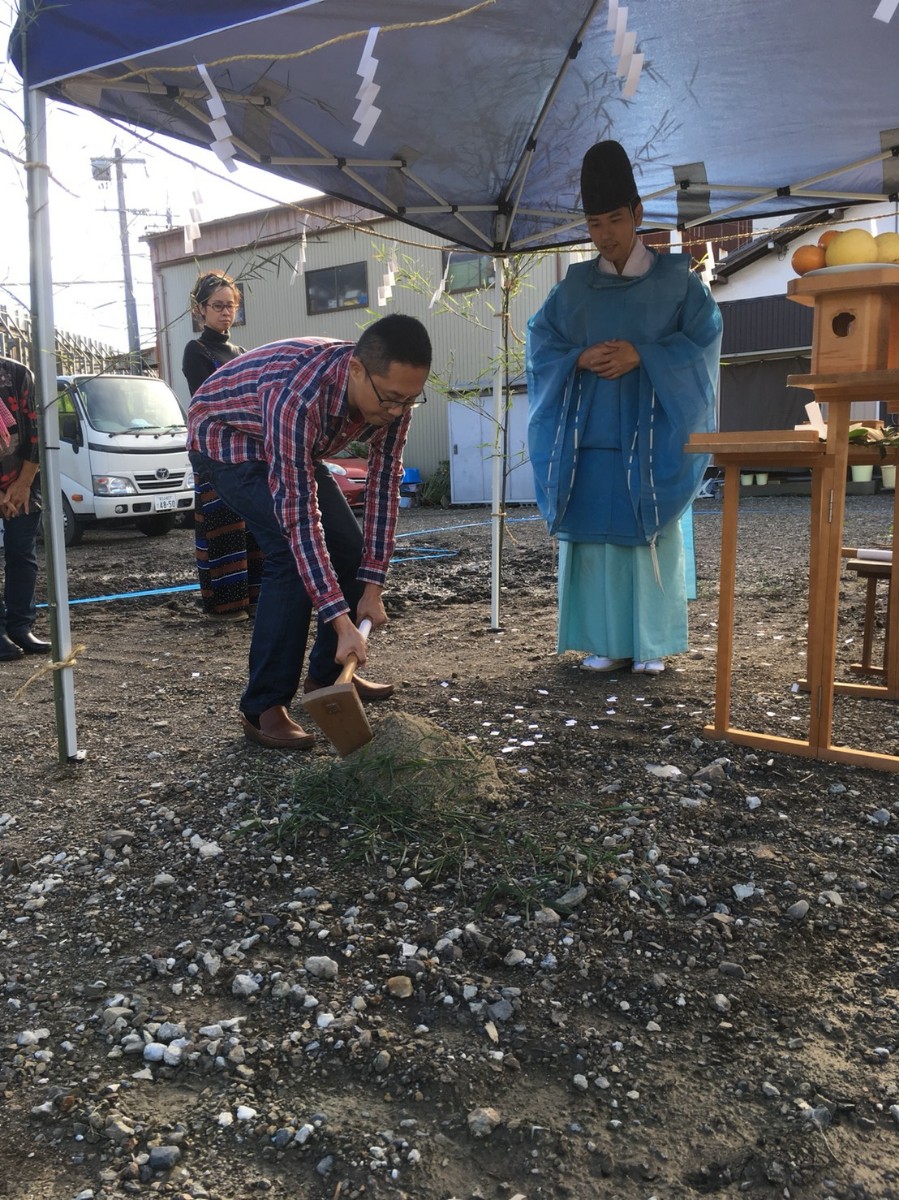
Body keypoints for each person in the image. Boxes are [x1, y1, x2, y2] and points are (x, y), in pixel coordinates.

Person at [187, 313, 432, 750]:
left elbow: (383, 488)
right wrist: (342, 622)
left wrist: (372, 586)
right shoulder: (298, 395)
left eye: (410, 401)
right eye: (392, 399)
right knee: (288, 552)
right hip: (229, 441)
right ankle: (262, 705)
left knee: (351, 551)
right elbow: (300, 520)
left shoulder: (394, 401)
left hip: (294, 446)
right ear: (357, 369)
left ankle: (326, 680)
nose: (397, 412)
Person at [527, 140, 722, 677]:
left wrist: (646, 355)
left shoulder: (679, 284)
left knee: (646, 537)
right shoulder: (571, 290)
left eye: (615, 219)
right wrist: (576, 358)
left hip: (652, 437)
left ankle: (651, 645)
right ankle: (603, 641)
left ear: (637, 215)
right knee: (593, 540)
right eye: (595, 224)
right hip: (588, 440)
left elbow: (703, 345)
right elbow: (540, 347)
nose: (606, 233)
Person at [182, 271, 262, 622]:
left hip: (244, 447)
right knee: (222, 524)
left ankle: (254, 598)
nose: (225, 312)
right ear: (201, 309)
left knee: (251, 523)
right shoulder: (196, 350)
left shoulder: (241, 352)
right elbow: (212, 400)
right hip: (212, 448)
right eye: (218, 306)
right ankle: (225, 605)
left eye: (231, 306)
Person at [0, 356, 50, 661]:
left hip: (23, 481)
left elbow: (36, 429)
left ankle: (20, 627)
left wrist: (23, 483)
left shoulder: (17, 373)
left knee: (22, 554)